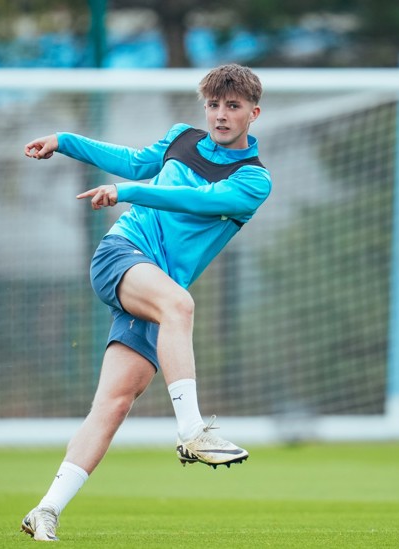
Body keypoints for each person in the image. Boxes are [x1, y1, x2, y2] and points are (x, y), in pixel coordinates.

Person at [19, 63, 271, 542]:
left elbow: (189, 201)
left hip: (155, 288)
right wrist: (65, 139)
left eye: (232, 106)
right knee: (180, 306)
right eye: (214, 105)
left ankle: (46, 510)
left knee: (114, 403)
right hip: (123, 254)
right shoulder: (182, 138)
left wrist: (127, 192)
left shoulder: (254, 181)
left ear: (252, 113)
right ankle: (192, 431)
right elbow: (135, 161)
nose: (220, 115)